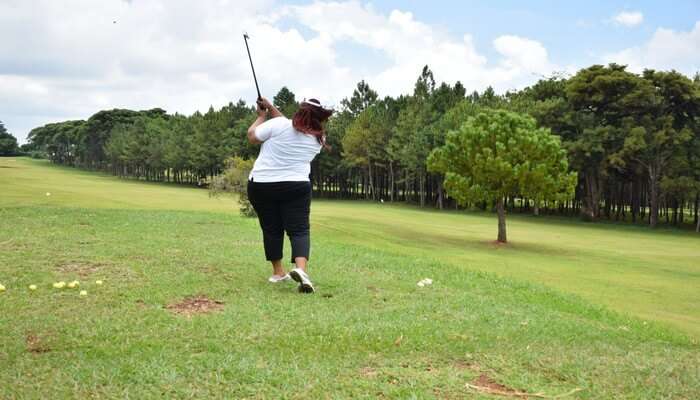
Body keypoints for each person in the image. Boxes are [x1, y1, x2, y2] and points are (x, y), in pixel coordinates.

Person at [246, 97, 332, 293]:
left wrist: (261, 116)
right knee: (299, 230)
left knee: (271, 228)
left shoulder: (278, 125)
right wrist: (271, 108)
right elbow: (291, 127)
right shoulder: (319, 138)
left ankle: (279, 272)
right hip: (296, 187)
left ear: (300, 111)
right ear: (319, 118)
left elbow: (252, 136)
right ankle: (301, 270)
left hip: (262, 185)